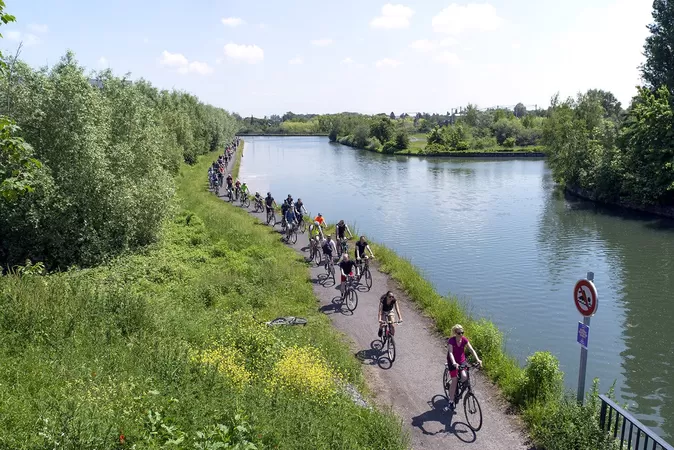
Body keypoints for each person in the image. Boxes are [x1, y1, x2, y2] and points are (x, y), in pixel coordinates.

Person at [443, 324, 482, 412]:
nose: (461, 334)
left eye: (462, 332)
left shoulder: (464, 340)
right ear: (455, 333)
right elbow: (450, 353)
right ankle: (451, 401)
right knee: (454, 380)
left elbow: (471, 350)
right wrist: (453, 362)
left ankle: (458, 389)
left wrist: (478, 359)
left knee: (464, 377)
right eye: (459, 333)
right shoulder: (451, 341)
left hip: (461, 361)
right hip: (452, 362)